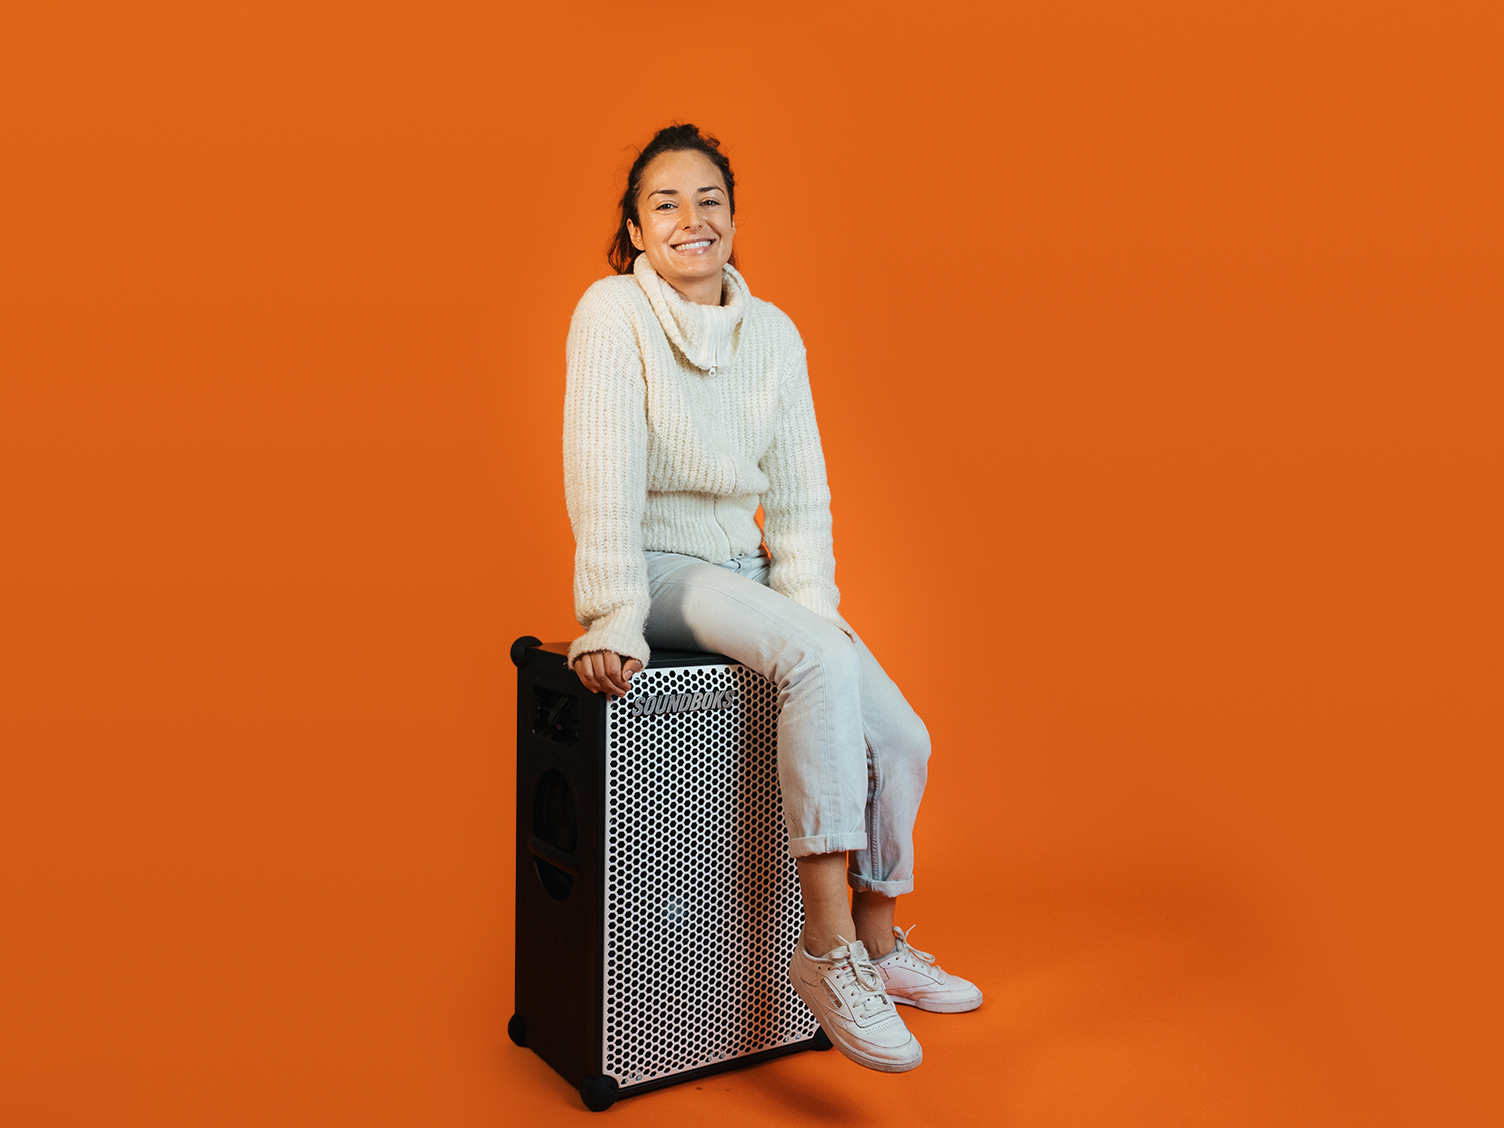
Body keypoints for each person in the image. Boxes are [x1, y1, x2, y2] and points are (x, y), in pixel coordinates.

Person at [562, 123, 981, 1074]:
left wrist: (812, 610)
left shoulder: (775, 332)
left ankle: (880, 942)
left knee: (903, 734)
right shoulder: (609, 312)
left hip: (744, 569)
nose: (691, 218)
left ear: (735, 220)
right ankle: (827, 955)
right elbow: (602, 473)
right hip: (661, 564)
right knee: (817, 660)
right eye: (665, 203)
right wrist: (612, 614)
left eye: (709, 200)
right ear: (634, 230)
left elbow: (798, 493)